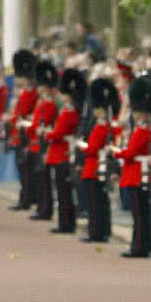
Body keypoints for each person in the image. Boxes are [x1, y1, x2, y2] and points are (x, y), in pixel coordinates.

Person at [111, 77, 151, 258]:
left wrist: (115, 152)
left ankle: (139, 247)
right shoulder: (143, 129)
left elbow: (130, 153)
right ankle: (143, 245)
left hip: (136, 175)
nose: (135, 114)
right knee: (141, 214)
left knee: (139, 215)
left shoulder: (141, 131)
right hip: (136, 174)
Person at [78, 77, 119, 243]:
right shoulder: (104, 126)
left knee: (95, 203)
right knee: (100, 201)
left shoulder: (101, 127)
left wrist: (81, 146)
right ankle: (102, 231)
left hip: (94, 168)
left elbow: (93, 149)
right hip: (97, 167)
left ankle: (96, 232)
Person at [45, 68, 84, 234]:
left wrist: (47, 133)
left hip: (63, 153)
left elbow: (59, 133)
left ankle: (66, 224)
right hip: (61, 152)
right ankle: (66, 222)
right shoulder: (68, 110)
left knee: (64, 192)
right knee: (63, 191)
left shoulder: (69, 112)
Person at [27, 60, 58, 222]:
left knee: (44, 180)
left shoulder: (49, 104)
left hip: (44, 143)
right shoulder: (43, 103)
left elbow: (44, 123)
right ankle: (41, 207)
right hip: (38, 142)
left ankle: (46, 209)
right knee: (40, 179)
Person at [7, 49, 37, 212]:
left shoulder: (29, 93)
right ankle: (25, 197)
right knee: (23, 168)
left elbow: (23, 113)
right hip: (20, 132)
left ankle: (26, 198)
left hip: (25, 133)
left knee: (26, 169)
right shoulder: (24, 92)